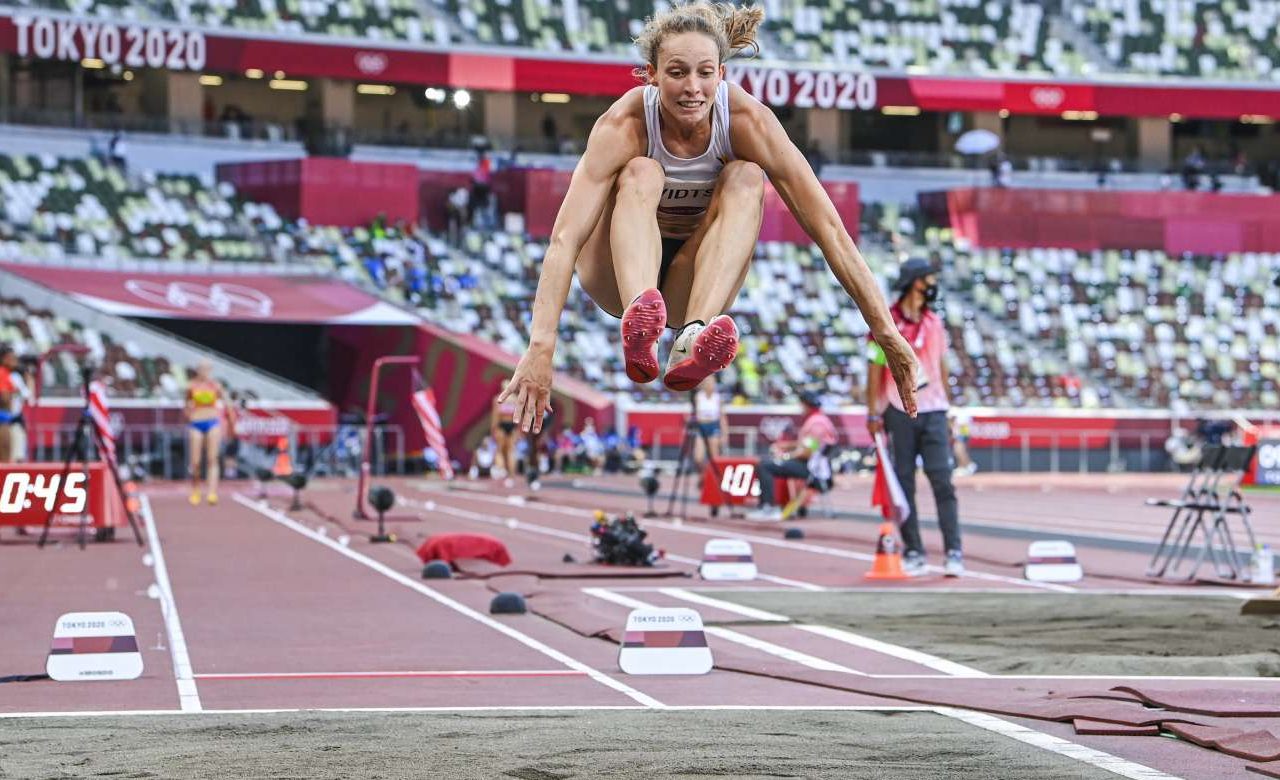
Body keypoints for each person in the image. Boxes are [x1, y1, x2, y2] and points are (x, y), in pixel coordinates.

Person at [498, 0, 917, 434]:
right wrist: (541, 347)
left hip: (691, 279)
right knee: (643, 169)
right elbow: (565, 239)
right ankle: (641, 322)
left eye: (704, 73)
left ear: (722, 74)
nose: (692, 88)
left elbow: (830, 231)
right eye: (677, 72)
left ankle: (691, 337)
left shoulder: (747, 121)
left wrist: (885, 332)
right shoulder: (623, 124)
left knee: (747, 176)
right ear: (652, 74)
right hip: (616, 277)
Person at [866, 258, 964, 577]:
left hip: (934, 410)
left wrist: (949, 409)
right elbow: (875, 369)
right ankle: (913, 551)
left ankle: (953, 551)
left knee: (942, 480)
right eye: (929, 277)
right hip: (898, 409)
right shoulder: (886, 323)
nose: (933, 283)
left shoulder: (935, 322)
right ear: (915, 282)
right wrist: (872, 411)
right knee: (904, 481)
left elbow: (943, 367)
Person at [748, 390, 836, 521]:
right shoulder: (818, 419)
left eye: (801, 405)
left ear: (806, 404)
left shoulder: (817, 424)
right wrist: (785, 446)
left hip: (812, 469)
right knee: (767, 464)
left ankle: (768, 507)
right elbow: (806, 444)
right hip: (812, 466)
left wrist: (786, 456)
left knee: (765, 466)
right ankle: (768, 506)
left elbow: (807, 453)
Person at [185, 360, 234, 506]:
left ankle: (212, 492)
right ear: (197, 370)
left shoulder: (215, 385)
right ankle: (196, 489)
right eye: (202, 368)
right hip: (196, 423)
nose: (205, 371)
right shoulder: (191, 386)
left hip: (212, 422)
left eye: (207, 369)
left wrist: (231, 422)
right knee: (195, 462)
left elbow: (227, 403)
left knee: (213, 459)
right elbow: (187, 403)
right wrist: (189, 415)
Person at [692, 374, 727, 464]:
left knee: (714, 455)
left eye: (711, 382)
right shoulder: (698, 397)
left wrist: (724, 434)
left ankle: (714, 476)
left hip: (713, 426)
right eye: (707, 382)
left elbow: (723, 418)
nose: (709, 384)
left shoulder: (718, 398)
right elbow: (695, 414)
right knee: (698, 457)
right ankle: (703, 474)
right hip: (701, 427)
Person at [490, 392, 519, 480]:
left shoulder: (498, 398)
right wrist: (518, 430)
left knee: (499, 450)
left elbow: (495, 415)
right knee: (511, 451)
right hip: (512, 425)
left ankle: (501, 471)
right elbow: (519, 415)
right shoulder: (515, 399)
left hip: (502, 424)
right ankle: (511, 474)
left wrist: (493, 429)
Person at [0, 347, 16, 463]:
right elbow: (4, 398)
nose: (15, 361)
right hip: (2, 420)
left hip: (4, 418)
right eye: (13, 358)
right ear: (5, 359)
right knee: (5, 459)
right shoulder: (2, 373)